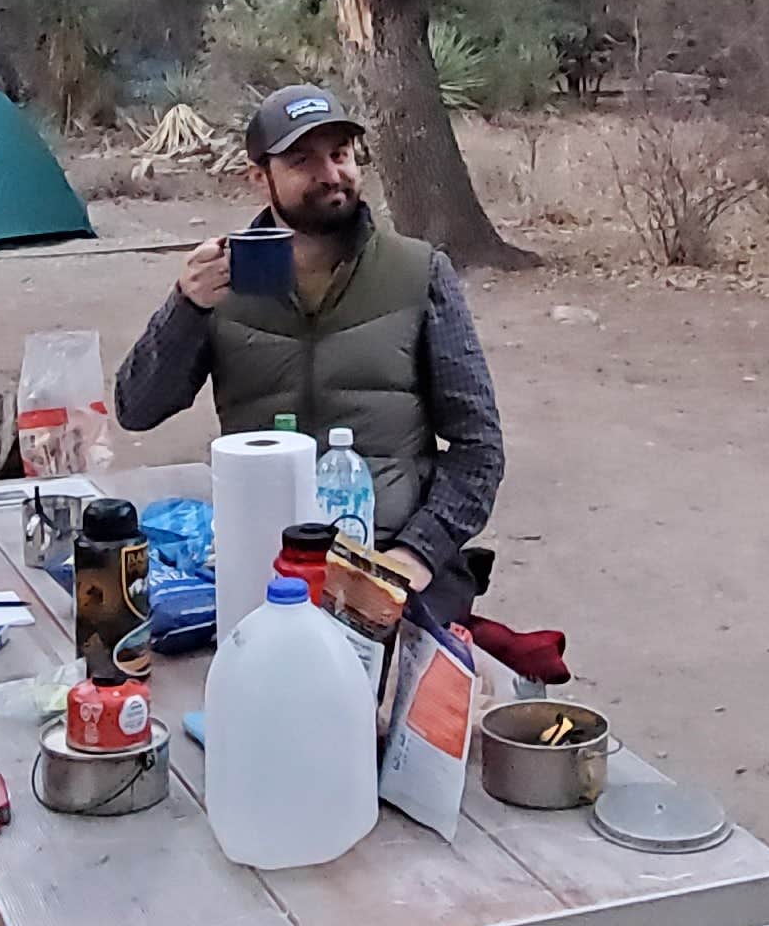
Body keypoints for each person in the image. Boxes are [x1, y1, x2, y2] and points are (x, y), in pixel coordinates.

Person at [116, 82, 506, 630]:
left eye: (340, 154)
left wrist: (416, 554)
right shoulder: (220, 282)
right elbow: (136, 408)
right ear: (260, 177)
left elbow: (478, 446)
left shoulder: (418, 272)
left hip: (387, 555)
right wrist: (186, 307)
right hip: (259, 559)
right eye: (303, 160)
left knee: (385, 697)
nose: (331, 174)